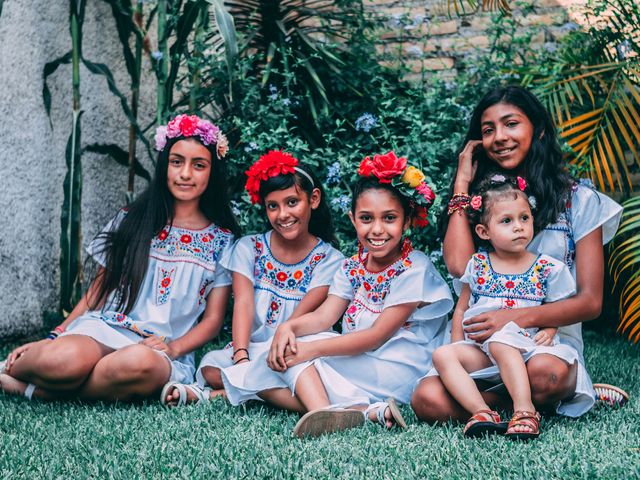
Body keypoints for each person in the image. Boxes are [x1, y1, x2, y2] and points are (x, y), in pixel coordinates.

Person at [411, 86, 626, 424]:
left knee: (545, 375)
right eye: (488, 130)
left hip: (544, 344)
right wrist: (461, 185)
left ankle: (527, 394)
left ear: (537, 129)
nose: (499, 137)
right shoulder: (478, 205)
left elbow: (590, 302)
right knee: (426, 400)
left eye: (511, 124)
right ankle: (527, 400)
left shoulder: (579, 202)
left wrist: (514, 318)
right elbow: (457, 265)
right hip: (481, 348)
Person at [0, 114, 239, 402]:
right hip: (105, 327)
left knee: (141, 363)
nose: (186, 173)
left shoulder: (223, 241)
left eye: (198, 165)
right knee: (62, 360)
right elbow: (99, 288)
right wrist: (57, 334)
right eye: (177, 162)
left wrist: (175, 348)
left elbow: (212, 321)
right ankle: (17, 369)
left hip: (159, 348)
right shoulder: (132, 220)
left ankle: (33, 390)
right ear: (165, 166)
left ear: (212, 173)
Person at [221, 152, 454, 437]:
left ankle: (325, 409)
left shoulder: (414, 268)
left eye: (389, 218)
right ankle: (359, 412)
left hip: (399, 368)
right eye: (366, 218)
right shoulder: (352, 267)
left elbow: (376, 336)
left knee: (288, 361)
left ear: (406, 221)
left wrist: (308, 349)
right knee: (287, 354)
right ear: (353, 219)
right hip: (360, 359)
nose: (377, 229)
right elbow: (325, 316)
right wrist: (289, 327)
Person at [162, 150, 344, 406]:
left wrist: (261, 363)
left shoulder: (329, 259)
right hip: (252, 348)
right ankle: (253, 388)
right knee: (210, 369)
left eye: (292, 202)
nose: (283, 214)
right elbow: (244, 304)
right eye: (273, 206)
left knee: (288, 367)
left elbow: (298, 319)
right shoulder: (250, 248)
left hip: (294, 348)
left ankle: (217, 396)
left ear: (313, 200)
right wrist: (241, 358)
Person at [432, 176, 577, 440]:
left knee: (500, 341)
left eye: (524, 218)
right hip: (482, 351)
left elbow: (560, 307)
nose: (519, 227)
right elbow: (462, 308)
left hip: (524, 348)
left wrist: (551, 328)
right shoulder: (478, 264)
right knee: (442, 355)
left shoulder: (546, 267)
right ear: (484, 232)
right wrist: (457, 343)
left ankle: (524, 410)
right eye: (506, 221)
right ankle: (482, 412)